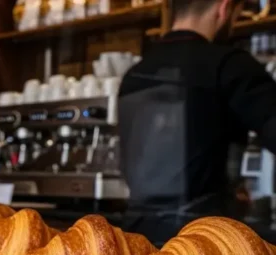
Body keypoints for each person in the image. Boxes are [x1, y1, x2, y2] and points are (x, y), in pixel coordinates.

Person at [118, 0, 276, 209]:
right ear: (224, 8)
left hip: (137, 224)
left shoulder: (133, 75)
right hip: (206, 226)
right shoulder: (229, 65)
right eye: (236, 16)